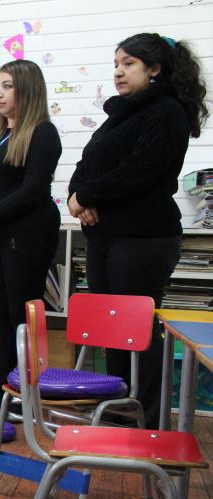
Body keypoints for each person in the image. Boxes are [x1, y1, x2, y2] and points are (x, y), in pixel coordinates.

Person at [68, 33, 208, 428]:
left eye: (128, 63)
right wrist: (77, 196)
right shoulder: (120, 114)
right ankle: (117, 405)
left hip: (144, 237)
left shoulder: (166, 112)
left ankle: (145, 415)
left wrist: (88, 195)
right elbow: (88, 162)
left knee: (136, 329)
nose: (118, 71)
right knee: (111, 328)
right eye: (116, 64)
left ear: (155, 69)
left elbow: (139, 170)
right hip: (105, 236)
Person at [0, 60, 62, 416]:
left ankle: (24, 394)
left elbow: (33, 190)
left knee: (22, 315)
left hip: (26, 231)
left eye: (8, 86)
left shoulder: (42, 132)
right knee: (1, 315)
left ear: (27, 90)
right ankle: (1, 392)